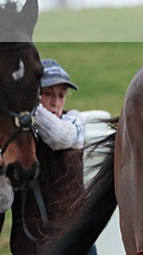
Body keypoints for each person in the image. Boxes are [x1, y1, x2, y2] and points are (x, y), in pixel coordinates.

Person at [10, 58, 96, 255]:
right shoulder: (18, 138)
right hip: (31, 244)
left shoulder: (73, 120)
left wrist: (29, 106)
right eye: (47, 94)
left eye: (61, 95)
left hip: (75, 240)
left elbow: (61, 137)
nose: (55, 102)